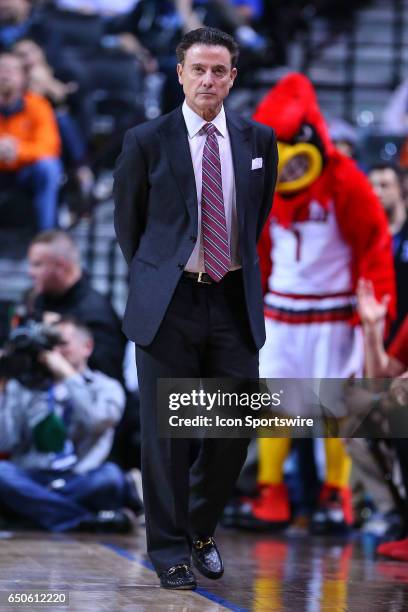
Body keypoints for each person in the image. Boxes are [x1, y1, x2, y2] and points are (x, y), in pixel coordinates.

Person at [113, 26, 277, 589]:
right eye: (198, 70)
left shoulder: (261, 141)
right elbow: (129, 229)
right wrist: (162, 276)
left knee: (232, 428)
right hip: (170, 303)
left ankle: (199, 529)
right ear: (179, 73)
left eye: (219, 71)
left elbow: (256, 219)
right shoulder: (146, 140)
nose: (208, 80)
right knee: (166, 435)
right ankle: (169, 551)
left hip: (233, 298)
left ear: (233, 77)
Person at [231, 73, 395, 534]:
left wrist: (374, 306)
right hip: (282, 311)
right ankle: (271, 493)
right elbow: (256, 248)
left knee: (333, 406)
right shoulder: (262, 186)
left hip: (332, 312)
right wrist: (250, 301)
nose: (290, 170)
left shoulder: (346, 179)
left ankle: (336, 495)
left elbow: (374, 245)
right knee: (274, 404)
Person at [0, 317, 139, 533]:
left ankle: (37, 513)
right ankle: (85, 521)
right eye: (49, 345)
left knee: (111, 476)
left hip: (79, 478)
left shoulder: (106, 387)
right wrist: (6, 388)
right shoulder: (24, 387)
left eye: (62, 344)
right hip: (34, 475)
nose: (54, 351)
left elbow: (96, 422)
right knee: (2, 473)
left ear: (87, 347)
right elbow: (6, 442)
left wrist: (69, 376)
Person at [27, 230, 126, 382]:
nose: (30, 272)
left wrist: (65, 344)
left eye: (37, 264)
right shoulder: (41, 299)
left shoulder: (96, 311)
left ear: (61, 265)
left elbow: (108, 375)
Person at [0, 52, 61, 230]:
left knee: (49, 167)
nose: (5, 74)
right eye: (1, 68)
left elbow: (49, 147)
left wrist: (17, 151)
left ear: (24, 77)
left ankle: (46, 236)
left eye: (12, 70)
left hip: (24, 171)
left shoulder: (38, 105)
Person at [368, 164, 408, 338]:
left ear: (401, 188)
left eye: (384, 185)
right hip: (374, 329)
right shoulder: (365, 233)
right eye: (372, 186)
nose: (377, 192)